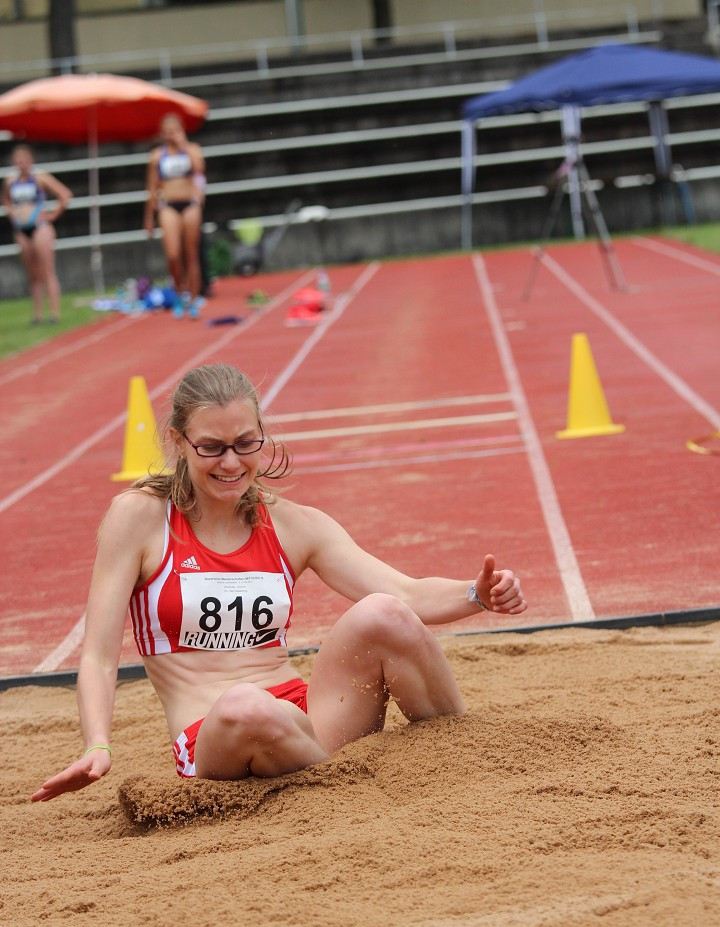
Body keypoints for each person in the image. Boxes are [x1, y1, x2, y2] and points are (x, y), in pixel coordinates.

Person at [31, 364, 528, 802]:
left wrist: (475, 595)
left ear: (263, 436)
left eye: (246, 444)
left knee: (384, 614)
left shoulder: (292, 524)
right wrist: (97, 744)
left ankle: (462, 755)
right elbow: (98, 654)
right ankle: (351, 786)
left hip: (301, 717)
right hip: (217, 733)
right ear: (178, 443)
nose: (231, 463)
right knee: (246, 706)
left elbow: (407, 594)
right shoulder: (139, 520)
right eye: (212, 448)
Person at [2, 144, 72, 325]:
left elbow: (65, 195)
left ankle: (54, 313)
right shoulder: (11, 181)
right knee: (32, 274)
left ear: (31, 160)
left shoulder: (40, 178)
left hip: (40, 227)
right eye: (18, 159)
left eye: (24, 158)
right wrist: (13, 216)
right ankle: (38, 315)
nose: (21, 162)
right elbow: (6, 201)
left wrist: (52, 216)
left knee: (47, 271)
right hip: (22, 230)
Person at [144, 112, 205, 320]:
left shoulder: (192, 150)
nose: (172, 135)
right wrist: (148, 218)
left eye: (176, 131)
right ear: (162, 134)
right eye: (168, 132)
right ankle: (179, 294)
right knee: (173, 255)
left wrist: (183, 145)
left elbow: (199, 169)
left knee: (191, 254)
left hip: (189, 204)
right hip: (168, 205)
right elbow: (152, 189)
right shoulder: (157, 156)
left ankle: (194, 299)